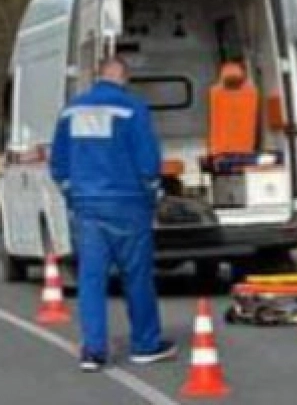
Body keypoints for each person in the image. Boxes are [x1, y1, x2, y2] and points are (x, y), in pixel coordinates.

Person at [50, 56, 176, 373]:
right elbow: (147, 159)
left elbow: (59, 162)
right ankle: (145, 344)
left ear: (97, 76)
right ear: (124, 77)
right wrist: (152, 191)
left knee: (91, 279)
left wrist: (71, 191)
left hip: (87, 205)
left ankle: (93, 350)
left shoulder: (71, 110)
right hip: (128, 203)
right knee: (137, 277)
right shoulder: (132, 108)